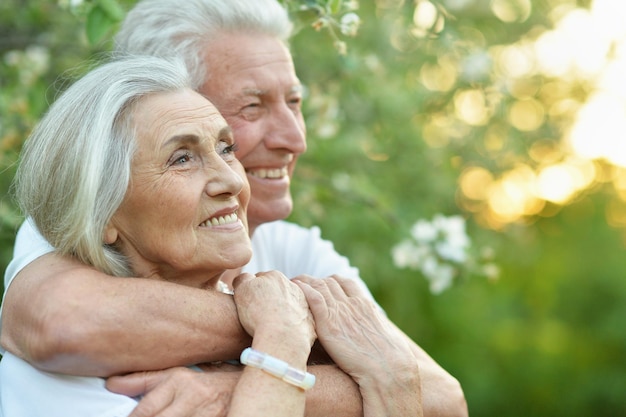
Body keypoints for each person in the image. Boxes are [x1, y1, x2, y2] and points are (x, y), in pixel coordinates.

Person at [0, 0, 467, 415]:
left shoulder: (296, 250)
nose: (295, 139)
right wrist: (290, 328)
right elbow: (62, 321)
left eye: (295, 101)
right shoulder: (73, 219)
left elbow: (439, 398)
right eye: (252, 107)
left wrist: (235, 386)